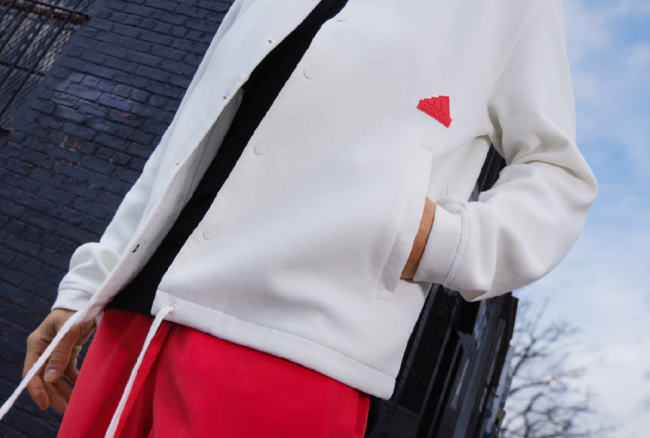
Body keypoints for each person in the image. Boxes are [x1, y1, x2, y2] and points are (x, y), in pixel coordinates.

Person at [3, 0, 597, 436]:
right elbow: (189, 136)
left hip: (294, 353)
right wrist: (86, 288)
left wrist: (439, 241)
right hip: (133, 319)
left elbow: (558, 174)